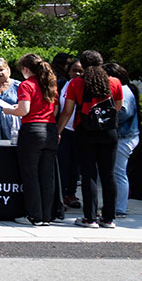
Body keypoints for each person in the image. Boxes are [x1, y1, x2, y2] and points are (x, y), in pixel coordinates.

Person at [58, 50, 123, 229]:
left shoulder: (76, 83)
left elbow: (67, 112)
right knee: (108, 174)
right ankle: (109, 218)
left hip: (85, 132)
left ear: (84, 66)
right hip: (109, 132)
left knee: (89, 175)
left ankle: (90, 218)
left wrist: (58, 131)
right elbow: (117, 107)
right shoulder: (114, 82)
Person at [4, 53, 59, 226]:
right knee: (46, 176)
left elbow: (24, 110)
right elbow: (55, 110)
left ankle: (35, 215)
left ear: (26, 69)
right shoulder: (50, 85)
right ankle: (46, 216)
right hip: (50, 129)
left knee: (31, 175)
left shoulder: (26, 85)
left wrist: (9, 110)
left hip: (32, 131)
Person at [104, 63, 138, 218]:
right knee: (117, 173)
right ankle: (117, 205)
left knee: (118, 173)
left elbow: (123, 114)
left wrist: (105, 118)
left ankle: (120, 207)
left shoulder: (123, 91)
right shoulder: (125, 89)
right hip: (126, 136)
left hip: (124, 137)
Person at [59, 58, 85, 209]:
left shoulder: (86, 86)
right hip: (64, 130)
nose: (77, 73)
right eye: (74, 70)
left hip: (80, 130)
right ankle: (61, 195)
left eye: (80, 71)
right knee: (62, 163)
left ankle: (71, 193)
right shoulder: (61, 85)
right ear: (68, 71)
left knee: (75, 165)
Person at [0, 58, 20, 142]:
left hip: (13, 125)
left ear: (7, 70)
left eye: (2, 70)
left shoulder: (18, 86)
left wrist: (18, 106)